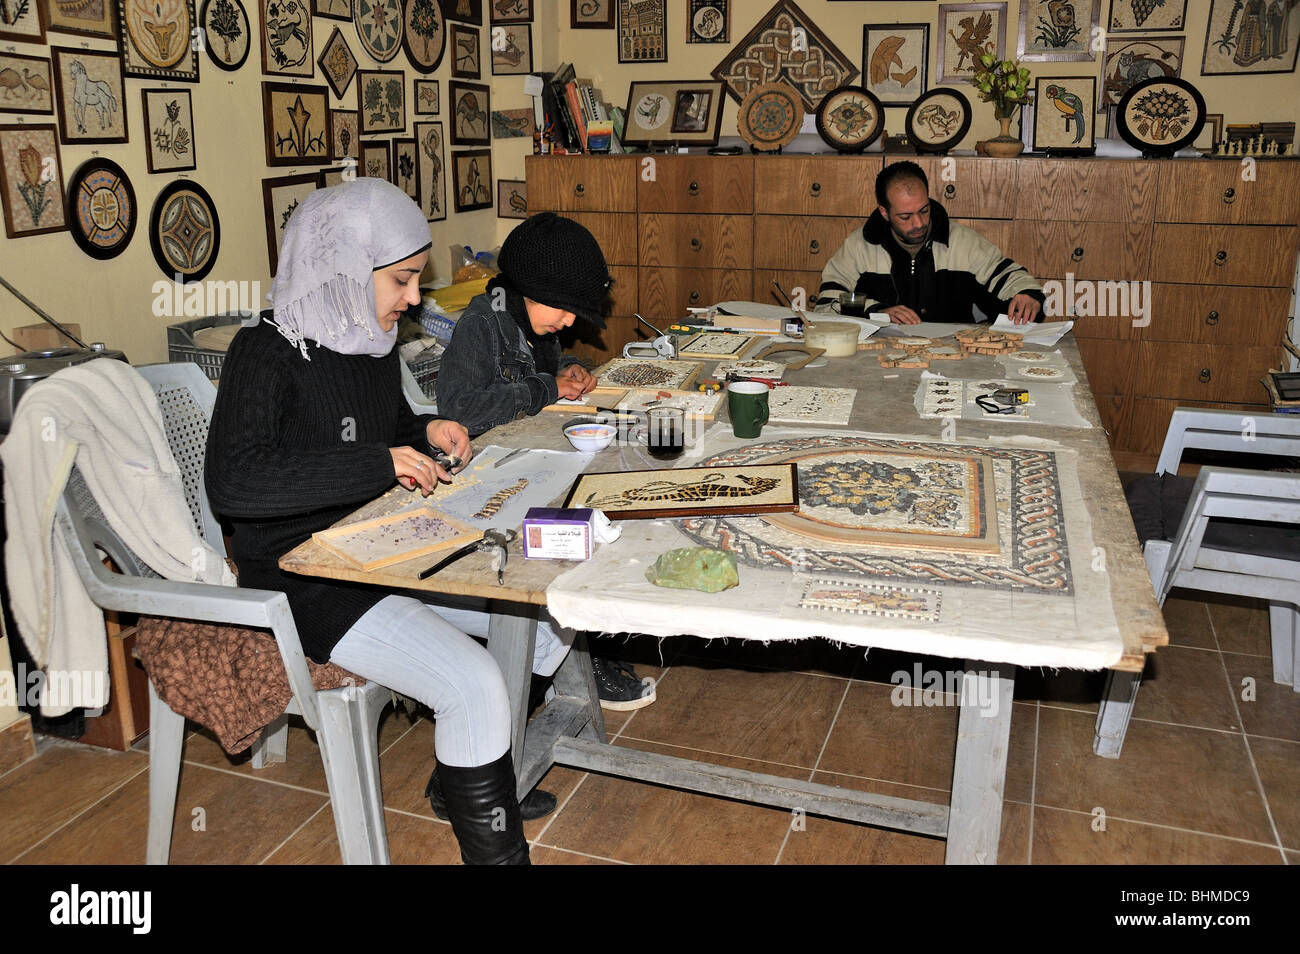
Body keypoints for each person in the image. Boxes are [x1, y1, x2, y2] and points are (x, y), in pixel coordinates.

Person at [206, 179, 558, 864]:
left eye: (415, 280)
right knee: (474, 682)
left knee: (547, 622)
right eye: (401, 280)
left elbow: (386, 429)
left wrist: (429, 430)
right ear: (341, 267)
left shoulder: (366, 339)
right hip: (302, 572)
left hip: (380, 544)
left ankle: (463, 780)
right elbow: (236, 484)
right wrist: (380, 464)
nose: (413, 298)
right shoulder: (266, 350)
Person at [436, 212, 657, 712]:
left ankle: (590, 641)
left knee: (608, 490)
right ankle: (565, 659)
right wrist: (546, 387)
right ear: (529, 291)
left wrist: (564, 368)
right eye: (565, 310)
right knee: (569, 528)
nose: (572, 322)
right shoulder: (482, 323)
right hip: (486, 474)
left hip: (528, 452)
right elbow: (458, 408)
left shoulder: (531, 320)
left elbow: (536, 366)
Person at [817, 160, 1045, 325]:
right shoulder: (858, 246)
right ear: (884, 213)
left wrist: (1027, 294)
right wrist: (877, 312)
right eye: (905, 217)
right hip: (878, 359)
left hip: (953, 358)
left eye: (924, 210)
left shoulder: (962, 241)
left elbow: (1009, 276)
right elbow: (827, 305)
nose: (918, 223)